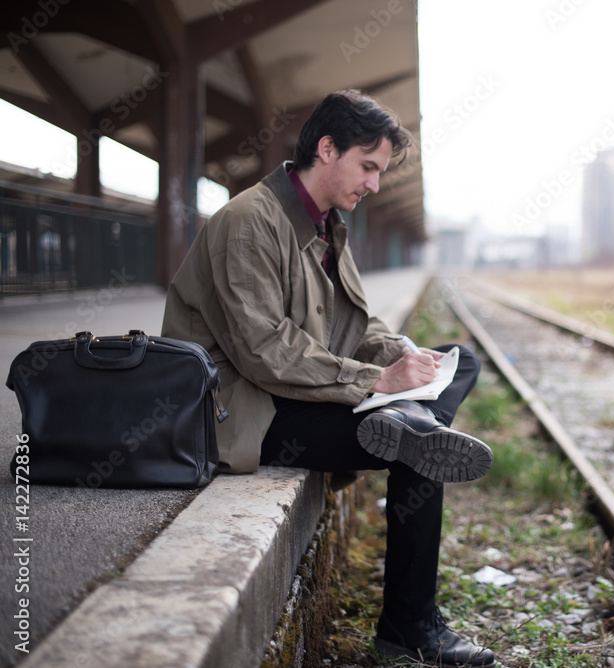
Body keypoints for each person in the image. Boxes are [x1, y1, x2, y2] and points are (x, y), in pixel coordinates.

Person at [162, 90, 495, 667]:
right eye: (368, 166)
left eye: (380, 172)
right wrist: (377, 380)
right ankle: (408, 629)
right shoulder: (248, 222)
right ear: (326, 148)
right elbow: (264, 351)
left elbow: (358, 325)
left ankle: (411, 418)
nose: (373, 184)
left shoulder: (327, 225)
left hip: (297, 390)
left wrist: (407, 357)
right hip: (246, 407)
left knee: (459, 360)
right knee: (419, 453)